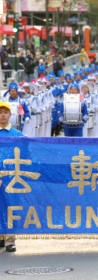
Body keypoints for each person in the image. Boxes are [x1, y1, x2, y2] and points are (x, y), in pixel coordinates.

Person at [0, 101, 23, 252]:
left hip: (10, 176)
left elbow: (25, 154)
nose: (2, 115)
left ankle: (10, 240)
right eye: (0, 113)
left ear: (10, 115)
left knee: (10, 207)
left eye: (5, 112)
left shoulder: (17, 134)